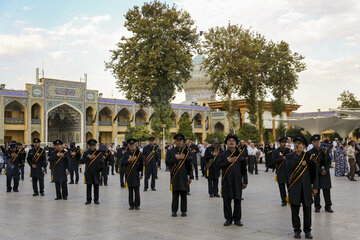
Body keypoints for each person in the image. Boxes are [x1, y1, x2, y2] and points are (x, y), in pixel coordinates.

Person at [286, 134, 318, 239]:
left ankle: (308, 230)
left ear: (304, 146)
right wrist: (296, 154)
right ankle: (297, 230)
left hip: (306, 188)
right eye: (295, 143)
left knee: (307, 210)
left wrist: (315, 187)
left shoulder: (308, 157)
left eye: (299, 144)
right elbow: (289, 167)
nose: (297, 145)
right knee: (294, 211)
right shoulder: (289, 156)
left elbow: (314, 173)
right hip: (294, 188)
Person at [218, 134, 248, 226]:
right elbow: (218, 166)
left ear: (236, 143)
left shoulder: (240, 154)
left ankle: (237, 219)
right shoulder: (223, 154)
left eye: (233, 140)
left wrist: (245, 181)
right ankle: (228, 219)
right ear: (226, 143)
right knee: (226, 200)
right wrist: (228, 161)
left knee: (237, 200)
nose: (231, 142)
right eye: (229, 140)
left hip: (237, 180)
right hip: (226, 180)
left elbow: (244, 169)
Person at [166, 133, 193, 217]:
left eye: (181, 140)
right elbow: (167, 162)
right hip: (175, 175)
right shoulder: (171, 151)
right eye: (177, 141)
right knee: (175, 195)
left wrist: (190, 176)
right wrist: (176, 158)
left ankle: (183, 211)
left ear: (183, 142)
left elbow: (189, 164)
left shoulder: (187, 152)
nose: (179, 142)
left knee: (184, 195)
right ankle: (174, 211)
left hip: (184, 176)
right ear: (175, 142)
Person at [308, 134, 333, 212]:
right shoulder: (309, 153)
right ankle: (317, 206)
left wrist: (325, 169)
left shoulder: (324, 150)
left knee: (327, 191)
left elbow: (329, 161)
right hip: (316, 174)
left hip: (325, 174)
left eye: (318, 141)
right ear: (312, 143)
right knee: (316, 191)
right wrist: (320, 170)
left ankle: (328, 206)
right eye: (315, 141)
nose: (317, 143)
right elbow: (311, 165)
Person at [122, 138, 143, 210]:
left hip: (136, 173)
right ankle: (131, 204)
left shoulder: (138, 153)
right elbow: (122, 163)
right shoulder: (126, 153)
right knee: (130, 190)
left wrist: (141, 173)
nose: (131, 145)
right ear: (128, 145)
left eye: (133, 144)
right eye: (130, 144)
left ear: (135, 145)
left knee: (137, 190)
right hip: (129, 174)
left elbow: (141, 163)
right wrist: (128, 160)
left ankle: (137, 205)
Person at [81, 139, 103, 205]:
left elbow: (102, 163)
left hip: (96, 172)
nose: (92, 146)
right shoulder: (86, 153)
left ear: (95, 145)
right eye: (91, 145)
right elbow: (81, 161)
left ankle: (96, 200)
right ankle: (88, 200)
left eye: (93, 145)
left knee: (96, 187)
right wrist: (88, 158)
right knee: (89, 187)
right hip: (88, 172)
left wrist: (102, 172)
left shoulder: (99, 153)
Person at [272, 137, 291, 206]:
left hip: (288, 172)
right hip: (280, 172)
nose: (284, 144)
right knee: (282, 188)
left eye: (285, 142)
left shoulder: (289, 150)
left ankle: (291, 199)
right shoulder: (276, 151)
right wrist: (282, 158)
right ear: (280, 143)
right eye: (283, 142)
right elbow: (273, 161)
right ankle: (284, 201)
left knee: (290, 187)